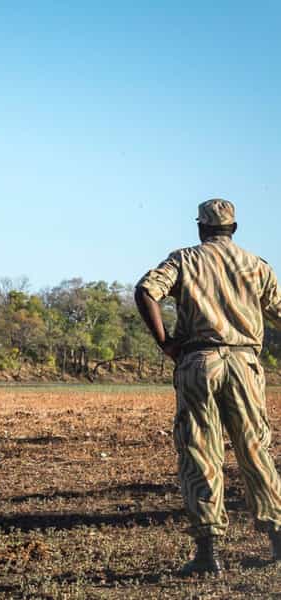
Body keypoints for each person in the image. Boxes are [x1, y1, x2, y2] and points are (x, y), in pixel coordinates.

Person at [135, 199, 281, 575]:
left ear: (201, 228)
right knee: (255, 450)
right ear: (235, 228)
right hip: (246, 365)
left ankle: (208, 551)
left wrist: (165, 342)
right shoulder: (257, 265)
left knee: (200, 450)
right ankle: (278, 539)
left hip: (199, 363)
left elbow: (146, 291)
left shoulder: (184, 259)